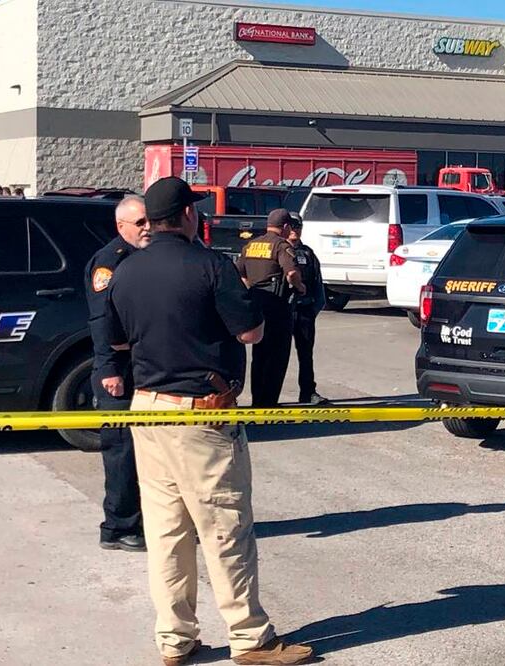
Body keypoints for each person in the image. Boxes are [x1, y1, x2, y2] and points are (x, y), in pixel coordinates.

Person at [104, 177, 313, 666]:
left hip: (147, 408)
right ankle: (250, 638)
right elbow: (251, 332)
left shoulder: (126, 270)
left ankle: (174, 639)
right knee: (224, 526)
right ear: (186, 216)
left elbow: (116, 341)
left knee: (166, 533)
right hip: (201, 413)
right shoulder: (209, 265)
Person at [84, 196, 150, 553]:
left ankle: (140, 520)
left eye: (149, 221)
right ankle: (118, 527)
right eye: (140, 223)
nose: (147, 228)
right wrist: (109, 368)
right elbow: (101, 319)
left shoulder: (142, 258)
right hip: (118, 369)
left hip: (141, 365)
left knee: (144, 448)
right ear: (121, 226)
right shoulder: (110, 262)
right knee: (121, 450)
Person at [235, 209, 306, 408]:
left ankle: (257, 400)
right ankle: (269, 403)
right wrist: (301, 287)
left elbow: (240, 273)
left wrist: (251, 290)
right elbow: (291, 273)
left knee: (259, 355)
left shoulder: (251, 245)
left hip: (257, 305)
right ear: (286, 227)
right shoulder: (281, 246)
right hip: (277, 307)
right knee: (277, 356)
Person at [287, 214, 328, 405]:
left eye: (298, 226)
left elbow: (318, 285)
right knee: (275, 356)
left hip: (304, 311)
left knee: (306, 355)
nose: (295, 230)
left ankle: (308, 392)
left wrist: (313, 311)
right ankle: (268, 396)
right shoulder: (278, 250)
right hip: (282, 312)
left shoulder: (308, 253)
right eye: (292, 226)